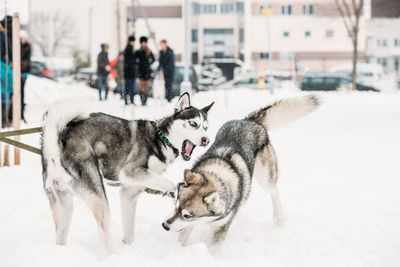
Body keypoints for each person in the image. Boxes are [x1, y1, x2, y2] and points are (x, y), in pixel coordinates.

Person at [136, 36, 154, 106]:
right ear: (141, 43)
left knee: (146, 88)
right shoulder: (138, 51)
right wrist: (137, 61)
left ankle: (145, 101)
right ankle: (141, 100)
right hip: (140, 72)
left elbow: (153, 59)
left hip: (147, 72)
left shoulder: (149, 51)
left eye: (144, 42)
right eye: (142, 42)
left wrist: (150, 61)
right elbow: (135, 60)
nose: (143, 44)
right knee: (140, 88)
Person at [20, 30, 31, 122]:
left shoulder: (27, 47)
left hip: (23, 73)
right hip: (18, 72)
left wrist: (24, 73)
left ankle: (22, 114)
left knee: (22, 93)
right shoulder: (18, 46)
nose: (22, 40)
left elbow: (27, 61)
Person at [123, 35, 136, 105]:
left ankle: (127, 101)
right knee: (130, 88)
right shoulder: (129, 49)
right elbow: (129, 62)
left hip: (128, 72)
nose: (134, 42)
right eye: (133, 41)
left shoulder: (128, 48)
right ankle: (130, 101)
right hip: (130, 72)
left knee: (128, 88)